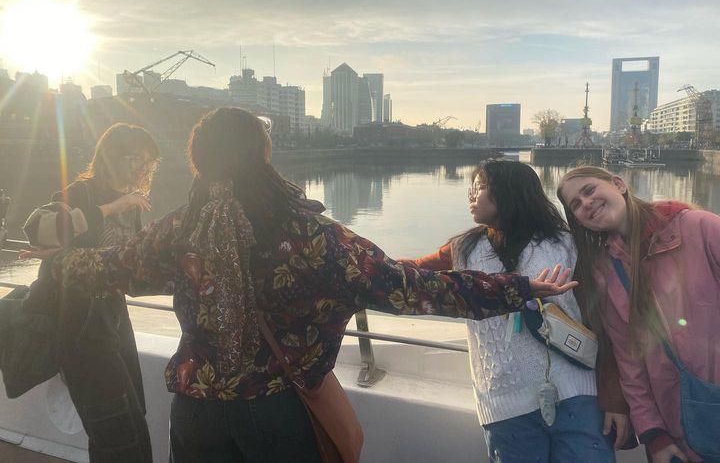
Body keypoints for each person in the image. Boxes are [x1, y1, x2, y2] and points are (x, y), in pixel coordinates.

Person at [37, 108, 578, 463]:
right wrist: (518, 288)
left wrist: (59, 258)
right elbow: (409, 286)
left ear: (198, 162)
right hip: (276, 414)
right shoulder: (310, 236)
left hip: (196, 412)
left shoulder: (180, 229)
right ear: (264, 155)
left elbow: (109, 268)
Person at [404, 160, 628, 462]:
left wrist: (615, 400)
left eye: (480, 187)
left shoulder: (566, 244)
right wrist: (348, 266)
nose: (471, 194)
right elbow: (408, 275)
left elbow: (606, 323)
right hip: (504, 402)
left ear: (509, 192)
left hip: (578, 394)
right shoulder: (462, 250)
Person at [557, 166, 720, 463]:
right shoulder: (606, 272)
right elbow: (628, 359)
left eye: (589, 190)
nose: (586, 204)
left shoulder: (699, 227)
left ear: (619, 184)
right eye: (575, 205)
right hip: (677, 430)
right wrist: (653, 435)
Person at [23, 123, 159, 462]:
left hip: (114, 318)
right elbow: (44, 231)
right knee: (117, 436)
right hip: (79, 326)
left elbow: (129, 263)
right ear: (111, 157)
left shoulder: (133, 204)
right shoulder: (79, 193)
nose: (142, 168)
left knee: (134, 421)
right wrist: (115, 206)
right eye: (134, 159)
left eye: (148, 162)